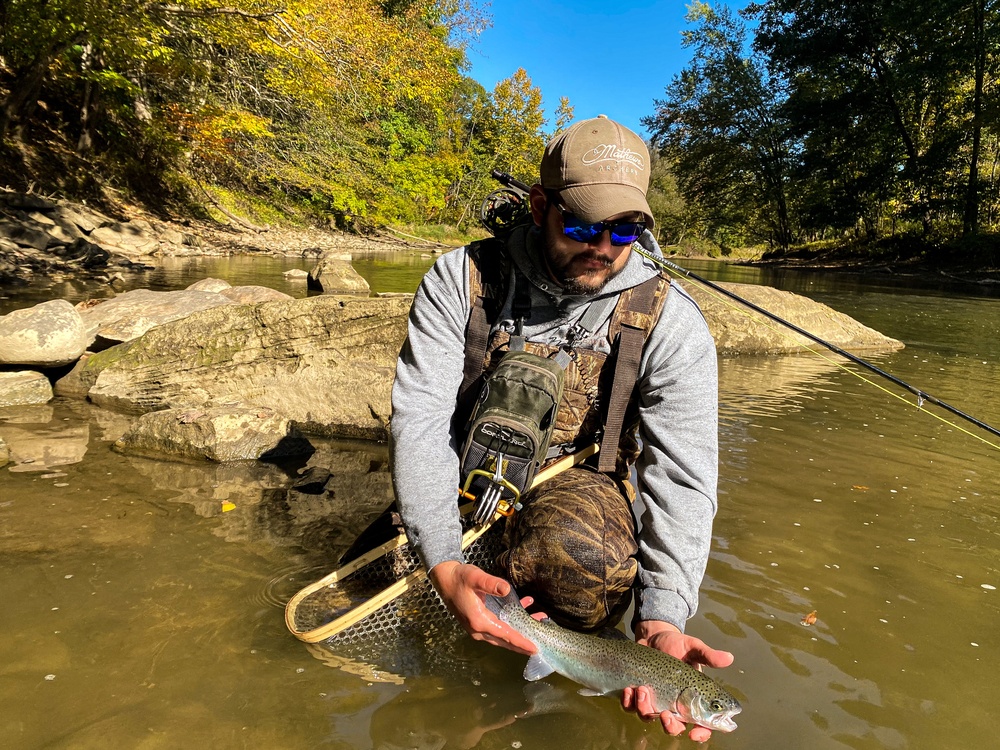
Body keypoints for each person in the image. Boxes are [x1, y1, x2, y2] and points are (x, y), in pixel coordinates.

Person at [389, 115, 733, 741]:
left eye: (626, 229)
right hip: (462, 460)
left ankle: (557, 661)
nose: (603, 246)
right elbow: (418, 424)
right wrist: (439, 559)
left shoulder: (673, 322)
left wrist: (662, 616)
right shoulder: (458, 279)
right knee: (401, 576)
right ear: (539, 205)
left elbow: (681, 480)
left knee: (585, 562)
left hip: (575, 478)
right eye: (582, 225)